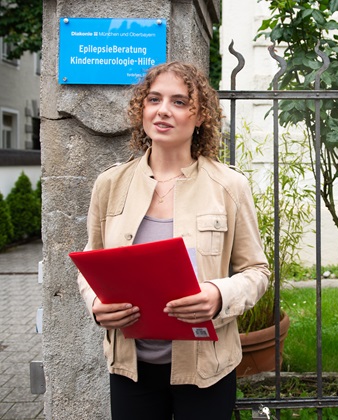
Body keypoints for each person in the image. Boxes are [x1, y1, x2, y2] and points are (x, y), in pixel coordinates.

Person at [76, 61, 270, 419]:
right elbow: (91, 259)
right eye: (154, 99)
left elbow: (256, 271)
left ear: (200, 117)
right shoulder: (110, 184)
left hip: (205, 369)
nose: (163, 110)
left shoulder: (228, 186)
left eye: (179, 102)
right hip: (131, 368)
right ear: (142, 110)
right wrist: (95, 304)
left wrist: (218, 296)